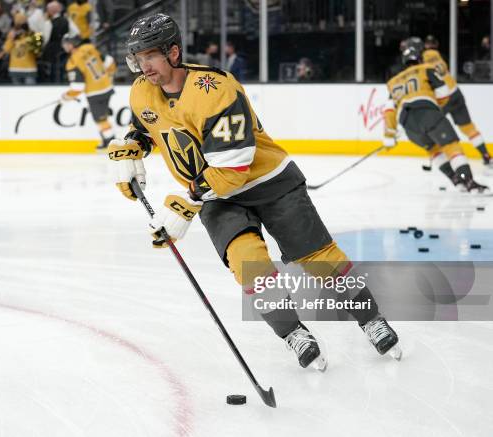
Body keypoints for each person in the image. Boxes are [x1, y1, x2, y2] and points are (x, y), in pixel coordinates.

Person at [107, 14, 402, 371]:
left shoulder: (215, 89)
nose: (143, 66)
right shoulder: (142, 89)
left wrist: (187, 203)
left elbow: (233, 168)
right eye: (138, 58)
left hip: (268, 182)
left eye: (150, 56)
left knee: (321, 260)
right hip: (215, 197)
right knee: (252, 270)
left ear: (173, 52)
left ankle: (371, 319)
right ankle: (294, 333)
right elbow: (148, 123)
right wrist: (132, 146)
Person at [383, 45, 488, 193]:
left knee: (434, 151)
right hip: (429, 114)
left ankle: (456, 180)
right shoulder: (426, 68)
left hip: (409, 126)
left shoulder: (393, 82)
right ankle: (468, 181)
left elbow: (388, 111)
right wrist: (436, 109)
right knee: (452, 147)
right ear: (419, 58)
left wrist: (389, 134)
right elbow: (444, 93)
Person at [419, 35, 490, 165]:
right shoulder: (440, 56)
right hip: (456, 93)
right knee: (468, 128)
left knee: (434, 128)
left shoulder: (423, 59)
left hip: (443, 98)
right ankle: (486, 155)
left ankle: (441, 158)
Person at [61, 34, 115, 149]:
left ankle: (111, 143)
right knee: (101, 117)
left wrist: (66, 97)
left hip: (95, 93)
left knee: (100, 120)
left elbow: (77, 87)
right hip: (107, 87)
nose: (64, 47)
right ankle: (107, 140)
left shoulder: (72, 61)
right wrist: (109, 75)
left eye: (66, 44)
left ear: (71, 45)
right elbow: (109, 62)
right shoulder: (89, 48)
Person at [0, 13, 40, 85]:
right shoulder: (11, 34)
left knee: (30, 93)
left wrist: (29, 39)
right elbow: (7, 49)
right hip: (15, 68)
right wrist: (12, 39)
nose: (19, 25)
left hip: (29, 69)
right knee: (17, 94)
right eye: (17, 22)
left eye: (21, 22)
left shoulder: (33, 34)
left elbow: (37, 52)